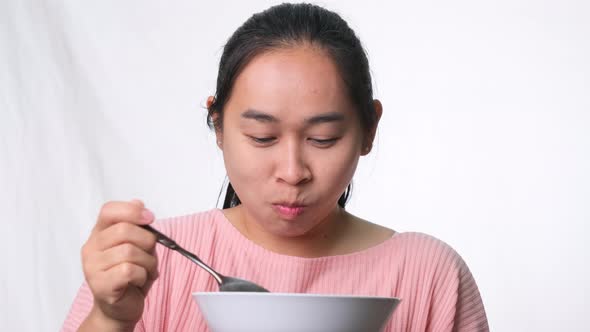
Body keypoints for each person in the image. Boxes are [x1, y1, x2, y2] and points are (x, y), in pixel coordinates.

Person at [62, 3, 489, 331]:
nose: (292, 171)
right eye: (262, 137)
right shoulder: (153, 263)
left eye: (323, 139)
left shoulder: (430, 275)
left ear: (369, 129)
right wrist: (109, 318)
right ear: (218, 125)